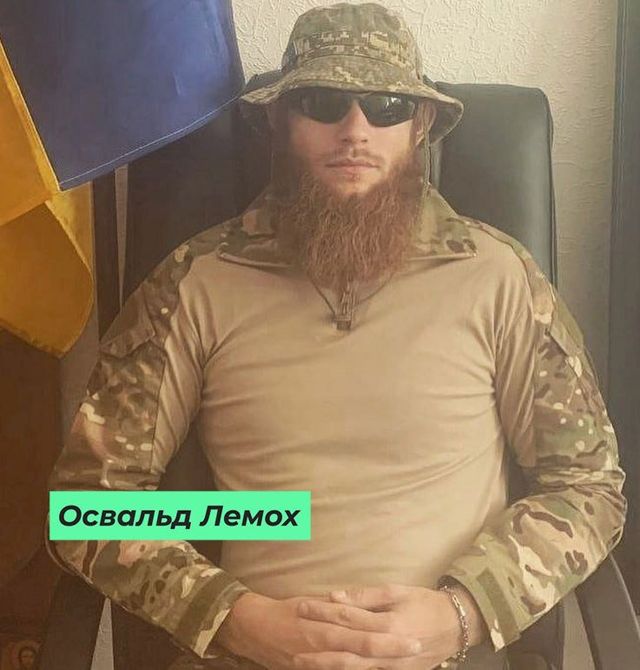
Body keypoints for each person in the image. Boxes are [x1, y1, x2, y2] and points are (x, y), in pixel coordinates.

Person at [46, 3, 627, 670]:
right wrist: (232, 613)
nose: (355, 131)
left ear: (421, 125)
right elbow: (88, 508)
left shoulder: (498, 278)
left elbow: (589, 490)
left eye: (386, 106)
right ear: (278, 121)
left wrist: (462, 613)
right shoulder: (196, 283)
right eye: (322, 104)